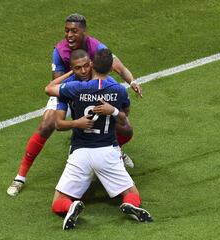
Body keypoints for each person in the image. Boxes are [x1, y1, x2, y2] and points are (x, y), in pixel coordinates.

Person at [7, 13, 141, 197]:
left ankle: (113, 148)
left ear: (84, 31)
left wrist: (132, 81)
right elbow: (56, 85)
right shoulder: (60, 50)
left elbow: (118, 66)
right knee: (47, 124)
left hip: (93, 86)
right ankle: (20, 177)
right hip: (70, 88)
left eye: (74, 31)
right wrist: (75, 74)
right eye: (66, 30)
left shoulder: (95, 46)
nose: (69, 35)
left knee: (125, 128)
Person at [46, 49, 152, 230]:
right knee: (131, 193)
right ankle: (129, 204)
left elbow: (48, 89)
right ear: (111, 68)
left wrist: (71, 72)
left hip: (80, 153)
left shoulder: (76, 88)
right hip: (107, 151)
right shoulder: (119, 91)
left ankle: (70, 206)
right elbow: (125, 118)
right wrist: (113, 111)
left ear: (92, 65)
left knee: (58, 201)